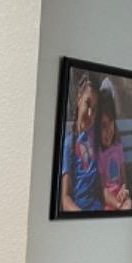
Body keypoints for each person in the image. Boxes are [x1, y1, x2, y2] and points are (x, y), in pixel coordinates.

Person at [59, 73, 102, 213]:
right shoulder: (69, 144)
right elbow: (65, 199)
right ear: (79, 99)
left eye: (94, 110)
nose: (90, 114)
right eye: (87, 104)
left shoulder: (96, 136)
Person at [95, 77, 132, 210]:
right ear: (96, 128)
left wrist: (124, 190)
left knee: (130, 205)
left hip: (121, 200)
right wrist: (118, 205)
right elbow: (102, 190)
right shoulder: (98, 153)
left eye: (111, 123)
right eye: (103, 125)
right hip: (108, 204)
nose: (108, 130)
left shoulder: (118, 147)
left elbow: (124, 178)